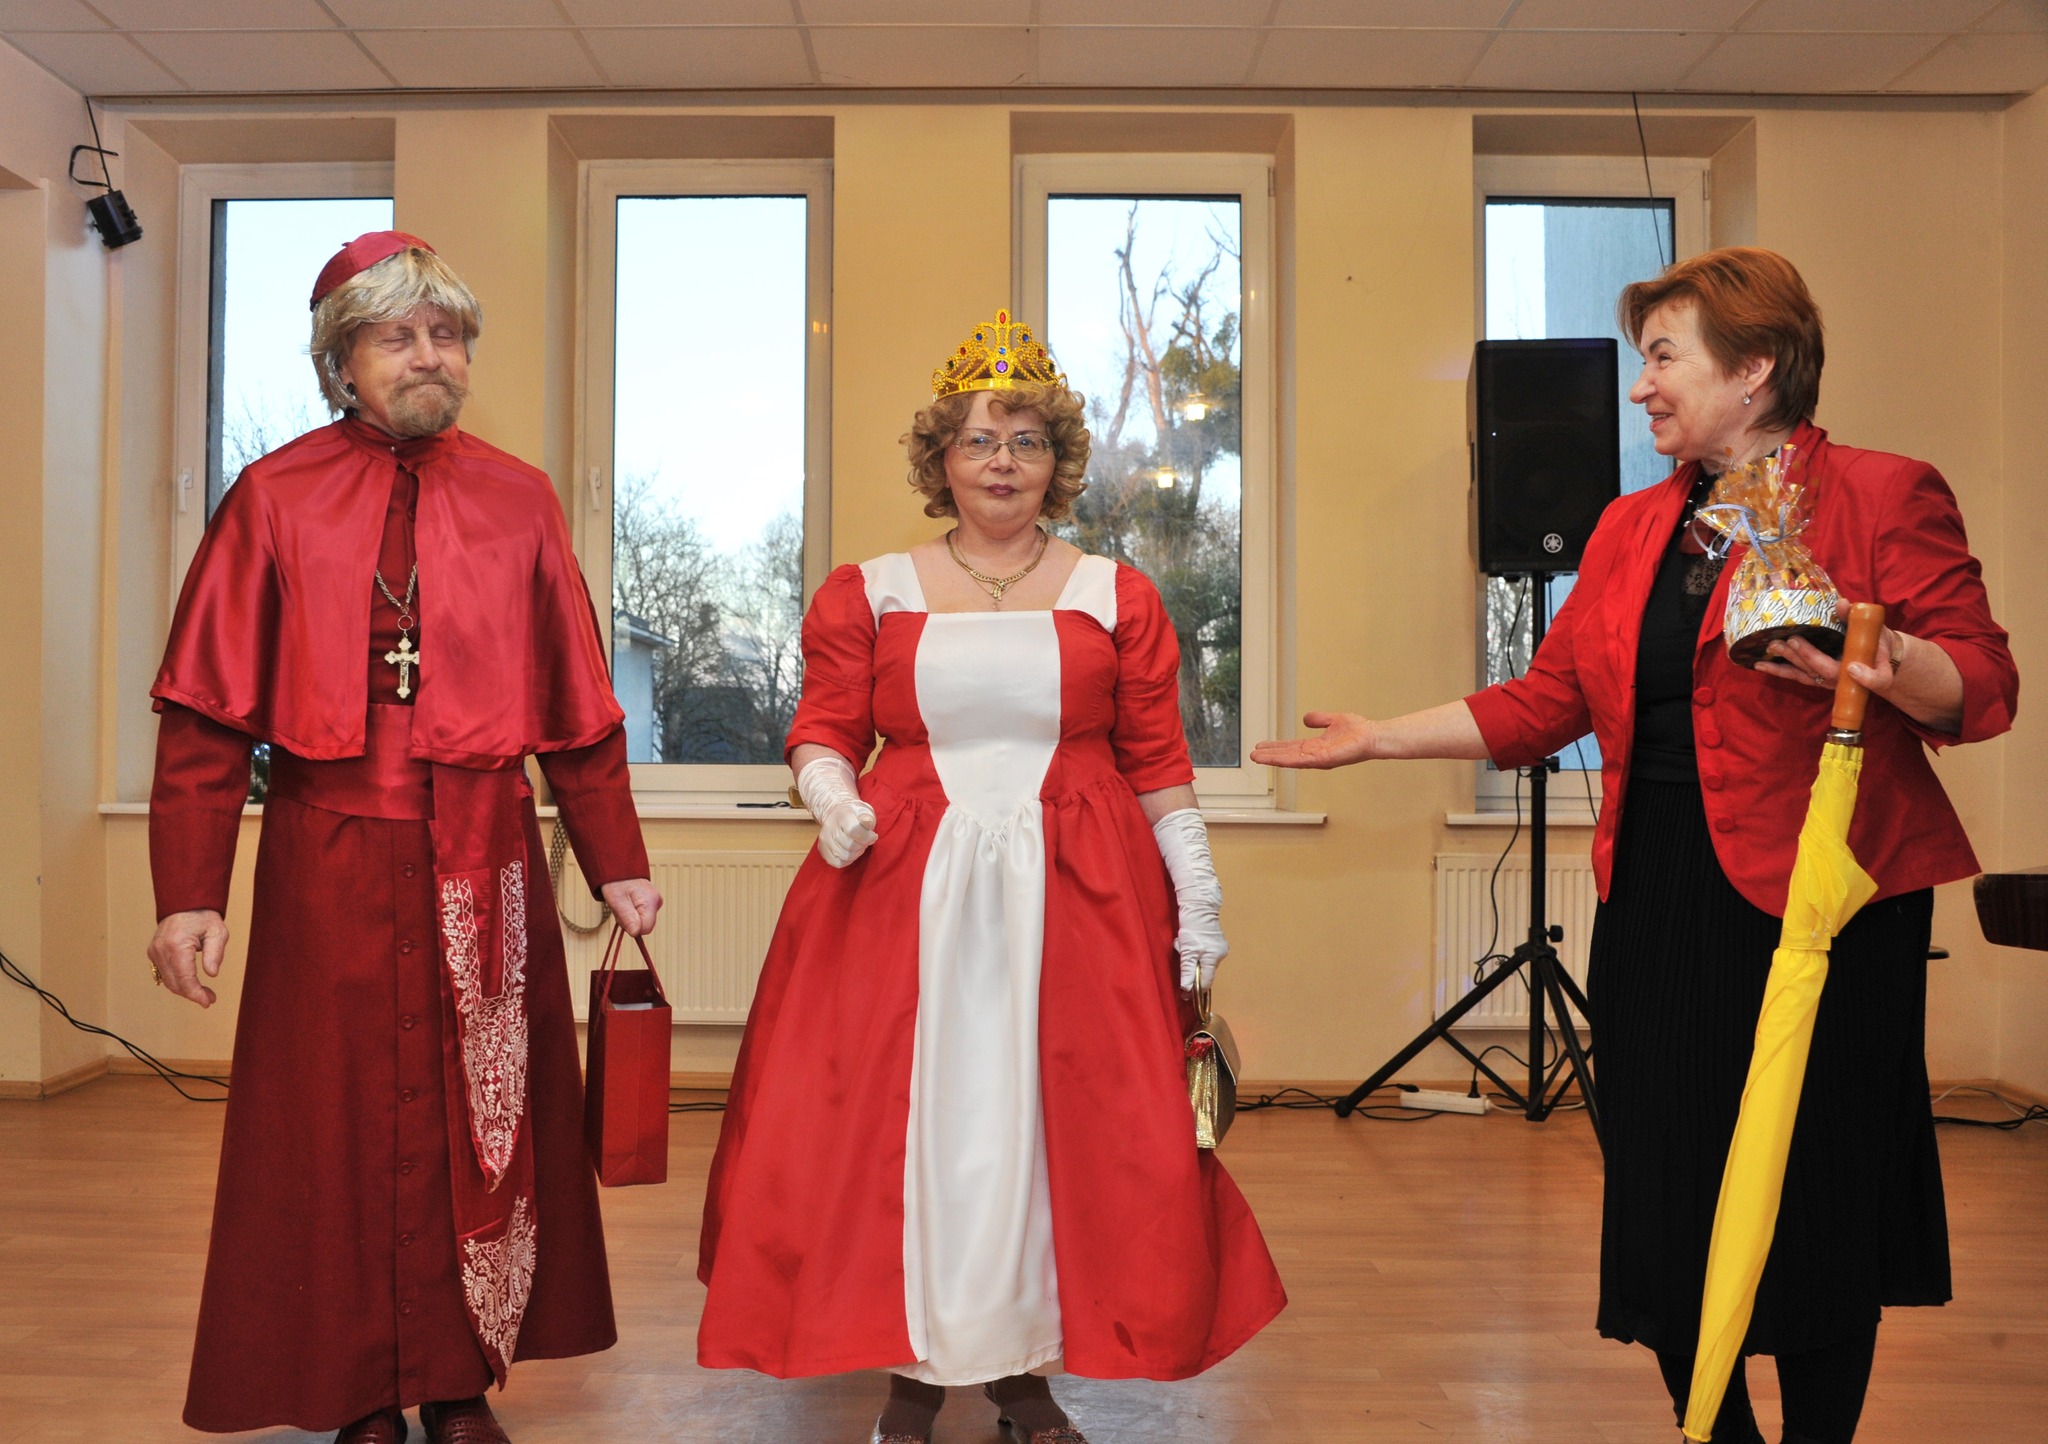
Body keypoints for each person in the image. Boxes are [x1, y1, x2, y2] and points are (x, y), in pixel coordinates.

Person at [1253, 248, 2016, 1444]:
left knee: (1813, 1185)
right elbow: (1543, 702)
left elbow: (1981, 686)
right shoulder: (1629, 526)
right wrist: (1376, 740)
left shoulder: (1880, 493)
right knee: (1664, 1184)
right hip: (1656, 891)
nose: (1639, 385)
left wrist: (1872, 653)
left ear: (1752, 367)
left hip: (1823, 904)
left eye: (1662, 357)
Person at [696, 311, 1286, 1444]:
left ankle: (1022, 1380)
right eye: (978, 440)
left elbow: (1157, 761)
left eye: (1026, 440)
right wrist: (832, 795)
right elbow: (822, 729)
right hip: (899, 896)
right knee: (913, 1129)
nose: (1002, 461)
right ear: (942, 459)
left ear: (1057, 460)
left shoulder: (1116, 595)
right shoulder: (869, 591)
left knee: (1052, 1131)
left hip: (1081, 897)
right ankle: (912, 1379)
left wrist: (1198, 894)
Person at [146, 231, 662, 1444]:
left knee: (477, 1131)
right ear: (341, 361)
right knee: (330, 1129)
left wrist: (618, 861)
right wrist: (188, 891)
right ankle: (361, 1391)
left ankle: (455, 1381)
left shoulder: (520, 497)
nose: (430, 355)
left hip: (485, 850)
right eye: (398, 335)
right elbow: (205, 718)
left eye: (447, 335)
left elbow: (578, 707)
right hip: (326, 853)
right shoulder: (271, 497)